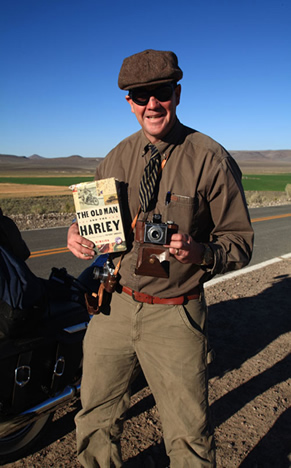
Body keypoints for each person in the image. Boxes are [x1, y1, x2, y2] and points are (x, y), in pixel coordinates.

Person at [67, 49, 254, 467]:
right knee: (94, 420)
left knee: (188, 435)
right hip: (115, 305)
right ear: (129, 102)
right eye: (140, 95)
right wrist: (79, 235)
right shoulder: (114, 159)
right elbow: (100, 228)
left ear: (178, 93)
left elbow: (240, 243)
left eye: (162, 92)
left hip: (175, 315)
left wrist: (200, 252)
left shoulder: (210, 159)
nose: (152, 103)